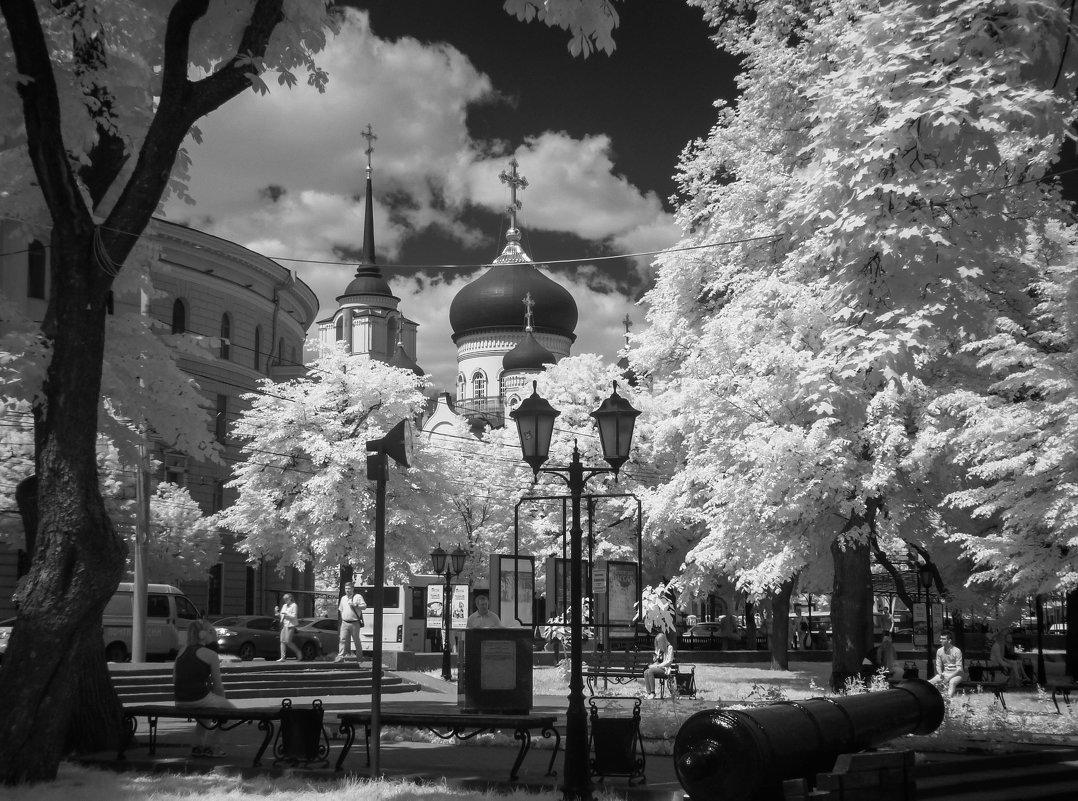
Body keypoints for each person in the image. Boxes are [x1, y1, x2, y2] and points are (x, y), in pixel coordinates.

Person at [173, 619, 235, 758]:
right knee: (233, 714)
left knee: (205, 716)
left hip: (179, 700)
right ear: (202, 634)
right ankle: (214, 747)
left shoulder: (182, 651)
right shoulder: (211, 655)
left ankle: (197, 747)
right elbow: (218, 685)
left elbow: (174, 679)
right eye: (210, 631)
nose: (212, 634)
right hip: (198, 697)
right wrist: (222, 704)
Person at [335, 581, 367, 663]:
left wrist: (355, 605)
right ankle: (340, 657)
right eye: (346, 588)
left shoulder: (358, 597)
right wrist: (343, 618)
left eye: (349, 588)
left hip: (354, 623)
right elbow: (341, 610)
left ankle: (359, 658)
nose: (347, 590)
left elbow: (364, 606)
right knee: (342, 639)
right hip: (345, 622)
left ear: (353, 589)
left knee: (356, 640)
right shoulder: (343, 598)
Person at [929, 629, 966, 697]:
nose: (940, 640)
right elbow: (938, 665)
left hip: (957, 675)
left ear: (949, 641)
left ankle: (947, 701)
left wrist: (948, 678)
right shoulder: (939, 651)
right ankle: (932, 700)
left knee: (952, 682)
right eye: (940, 638)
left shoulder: (957, 651)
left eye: (943, 639)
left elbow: (959, 669)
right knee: (929, 683)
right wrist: (941, 674)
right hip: (945, 674)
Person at [643, 630, 675, 698]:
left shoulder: (669, 648)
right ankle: (648, 693)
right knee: (646, 672)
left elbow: (668, 662)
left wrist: (657, 666)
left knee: (650, 671)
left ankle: (653, 692)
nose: (658, 644)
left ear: (663, 641)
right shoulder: (659, 649)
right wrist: (655, 658)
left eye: (659, 642)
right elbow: (657, 659)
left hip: (665, 669)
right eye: (657, 643)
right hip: (658, 668)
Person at [276, 593, 302, 661]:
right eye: (284, 599)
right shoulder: (284, 606)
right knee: (282, 641)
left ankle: (298, 652)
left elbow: (294, 616)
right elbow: (282, 616)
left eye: (286, 599)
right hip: (284, 625)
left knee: (288, 642)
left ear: (290, 598)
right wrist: (277, 613)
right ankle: (282, 657)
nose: (285, 600)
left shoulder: (294, 605)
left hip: (291, 625)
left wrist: (286, 615)